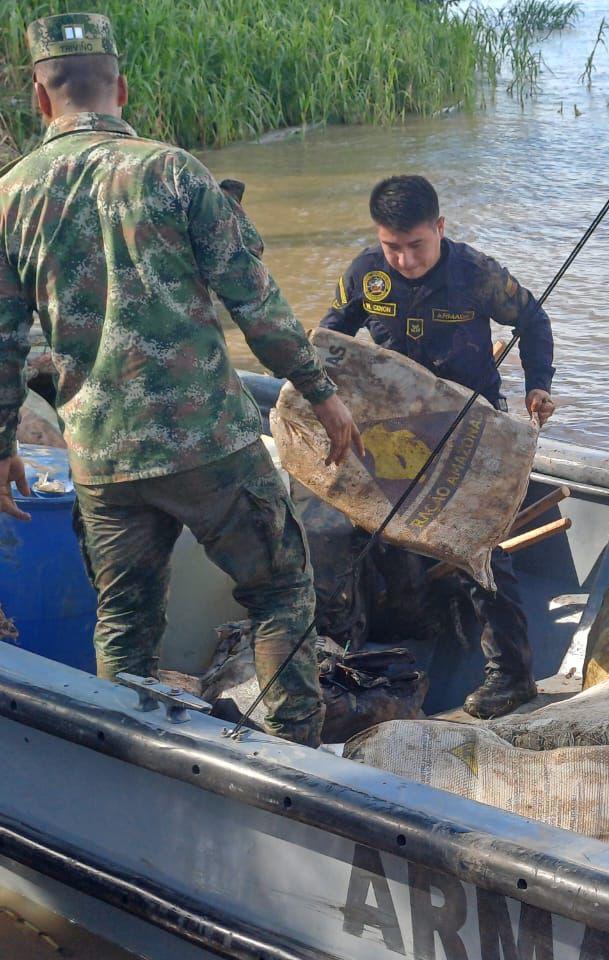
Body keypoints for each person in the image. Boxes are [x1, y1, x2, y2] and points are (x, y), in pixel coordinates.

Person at [0, 14, 363, 747]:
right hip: (208, 446)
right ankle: (299, 759)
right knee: (280, 592)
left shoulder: (9, 195)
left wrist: (4, 439)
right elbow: (254, 300)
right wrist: (322, 394)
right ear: (122, 88)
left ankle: (123, 758)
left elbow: (5, 341)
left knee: (124, 620)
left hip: (101, 458)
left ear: (40, 99)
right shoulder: (172, 170)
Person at [321, 174, 555, 719]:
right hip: (397, 430)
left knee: (481, 551)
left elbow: (533, 319)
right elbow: (330, 337)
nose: (404, 260)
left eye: (416, 246)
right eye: (392, 247)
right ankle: (361, 647)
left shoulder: (476, 274)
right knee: (354, 532)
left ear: (440, 229)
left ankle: (512, 676)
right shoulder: (365, 274)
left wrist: (538, 384)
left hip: (472, 429)